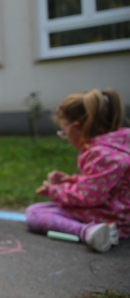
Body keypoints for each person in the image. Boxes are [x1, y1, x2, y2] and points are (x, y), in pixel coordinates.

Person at [26, 88, 129, 253]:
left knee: (35, 213)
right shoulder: (120, 144)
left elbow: (89, 197)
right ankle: (96, 229)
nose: (66, 137)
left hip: (115, 217)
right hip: (122, 210)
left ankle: (89, 232)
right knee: (43, 209)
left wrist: (54, 191)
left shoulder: (100, 154)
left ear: (76, 127)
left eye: (64, 132)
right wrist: (72, 180)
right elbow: (109, 184)